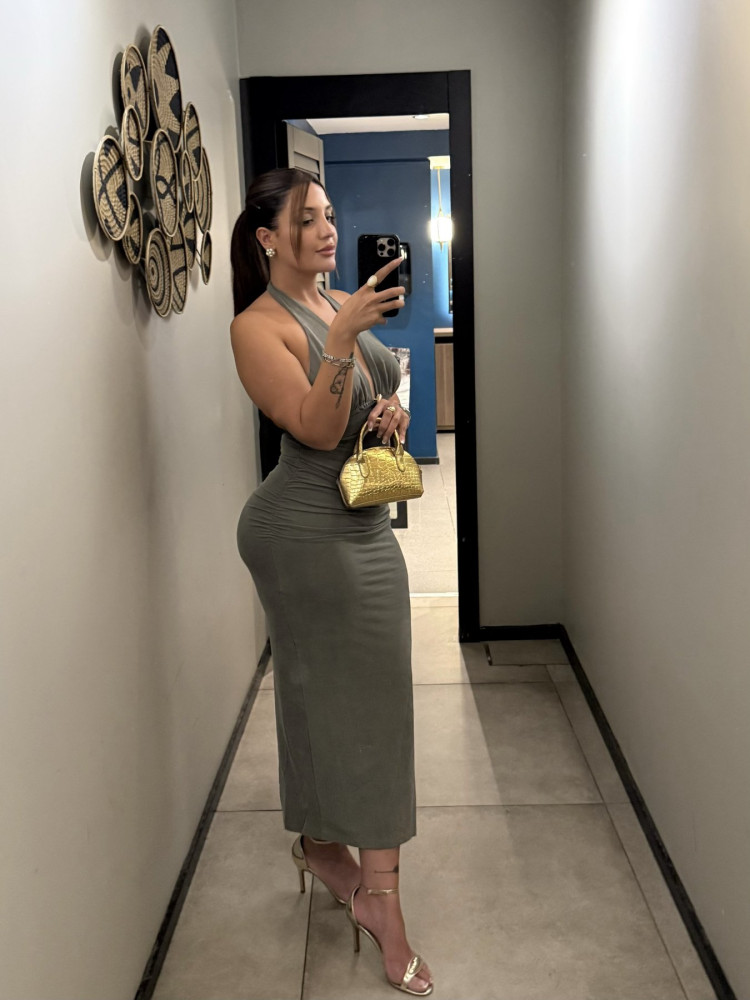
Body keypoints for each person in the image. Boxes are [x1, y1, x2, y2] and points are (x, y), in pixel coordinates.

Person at [229, 167, 433, 997]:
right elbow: (314, 428)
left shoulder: (336, 300)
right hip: (300, 534)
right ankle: (379, 899)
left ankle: (321, 845)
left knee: (351, 697)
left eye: (329, 214)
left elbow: (375, 394)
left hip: (365, 524)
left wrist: (395, 410)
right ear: (266, 238)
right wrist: (342, 341)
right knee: (337, 699)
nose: (325, 229)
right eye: (306, 218)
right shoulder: (256, 327)